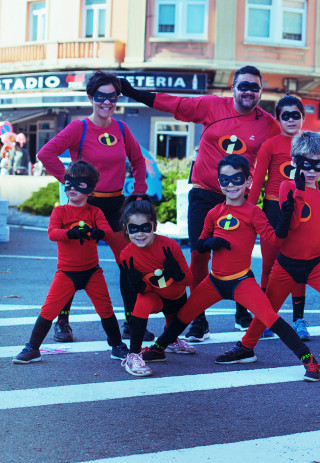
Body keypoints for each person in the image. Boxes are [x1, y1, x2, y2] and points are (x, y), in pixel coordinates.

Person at [120, 65, 280, 341]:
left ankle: (243, 314)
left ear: (261, 91)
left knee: (237, 256)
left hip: (238, 200)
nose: (248, 92)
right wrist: (133, 92)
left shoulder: (269, 124)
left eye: (254, 87)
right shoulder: (211, 106)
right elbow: (173, 103)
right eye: (243, 86)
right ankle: (199, 321)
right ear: (233, 89)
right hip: (204, 193)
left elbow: (282, 159)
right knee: (199, 254)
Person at [141, 154, 320, 382]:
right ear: (219, 182)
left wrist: (285, 218)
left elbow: (275, 240)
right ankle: (158, 348)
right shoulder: (214, 213)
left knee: (269, 317)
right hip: (214, 281)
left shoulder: (254, 212)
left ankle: (310, 360)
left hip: (241, 281)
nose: (231, 184)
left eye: (237, 179)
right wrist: (210, 243)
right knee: (184, 316)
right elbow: (199, 244)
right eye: (225, 180)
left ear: (248, 182)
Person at [231, 132, 320, 380]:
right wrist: (299, 192)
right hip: (287, 264)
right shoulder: (286, 187)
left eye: (317, 165)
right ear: (295, 162)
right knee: (267, 308)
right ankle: (246, 347)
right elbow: (295, 225)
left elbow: (317, 237)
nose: (311, 171)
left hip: (316, 264)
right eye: (305, 164)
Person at [37, 71, 148, 343]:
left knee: (129, 263)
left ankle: (131, 322)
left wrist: (139, 192)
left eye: (112, 97)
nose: (107, 102)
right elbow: (45, 154)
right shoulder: (79, 128)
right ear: (91, 98)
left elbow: (138, 161)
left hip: (116, 206)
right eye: (101, 97)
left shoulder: (122, 128)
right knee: (75, 268)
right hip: (83, 207)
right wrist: (71, 182)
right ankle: (62, 321)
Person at [12, 161, 128, 364]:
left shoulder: (95, 212)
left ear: (91, 189)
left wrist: (96, 232)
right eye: (68, 183)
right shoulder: (60, 212)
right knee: (49, 310)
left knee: (106, 309)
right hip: (66, 272)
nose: (72, 188)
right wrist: (71, 233)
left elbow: (108, 232)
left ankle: (117, 344)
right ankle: (32, 347)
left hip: (92, 271)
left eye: (79, 184)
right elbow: (52, 233)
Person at [248, 95, 310, 340]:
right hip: (273, 209)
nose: (292, 120)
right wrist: (247, 214)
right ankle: (264, 318)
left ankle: (298, 320)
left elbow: (315, 182)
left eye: (296, 114)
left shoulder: (310, 143)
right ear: (279, 118)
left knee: (298, 265)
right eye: (286, 115)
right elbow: (258, 181)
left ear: (303, 117)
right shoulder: (271, 145)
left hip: (301, 210)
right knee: (269, 265)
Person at [118, 195, 196, 377]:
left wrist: (177, 273)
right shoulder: (126, 255)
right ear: (126, 229)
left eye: (146, 228)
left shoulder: (169, 245)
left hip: (177, 297)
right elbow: (146, 289)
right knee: (142, 301)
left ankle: (172, 340)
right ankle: (133, 355)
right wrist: (137, 286)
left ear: (154, 226)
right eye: (134, 229)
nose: (140, 234)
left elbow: (189, 280)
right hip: (155, 297)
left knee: (181, 314)